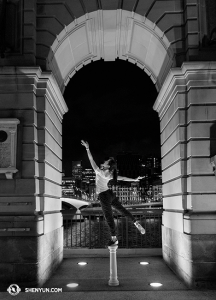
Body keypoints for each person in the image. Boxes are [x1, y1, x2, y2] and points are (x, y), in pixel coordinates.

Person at [81, 140, 145, 246]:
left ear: (107, 165)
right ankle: (135, 222)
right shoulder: (110, 173)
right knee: (122, 210)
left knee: (108, 216)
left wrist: (87, 148)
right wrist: (134, 179)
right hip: (110, 194)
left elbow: (91, 159)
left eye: (106, 162)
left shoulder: (99, 171)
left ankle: (114, 238)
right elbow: (123, 178)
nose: (104, 161)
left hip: (103, 195)